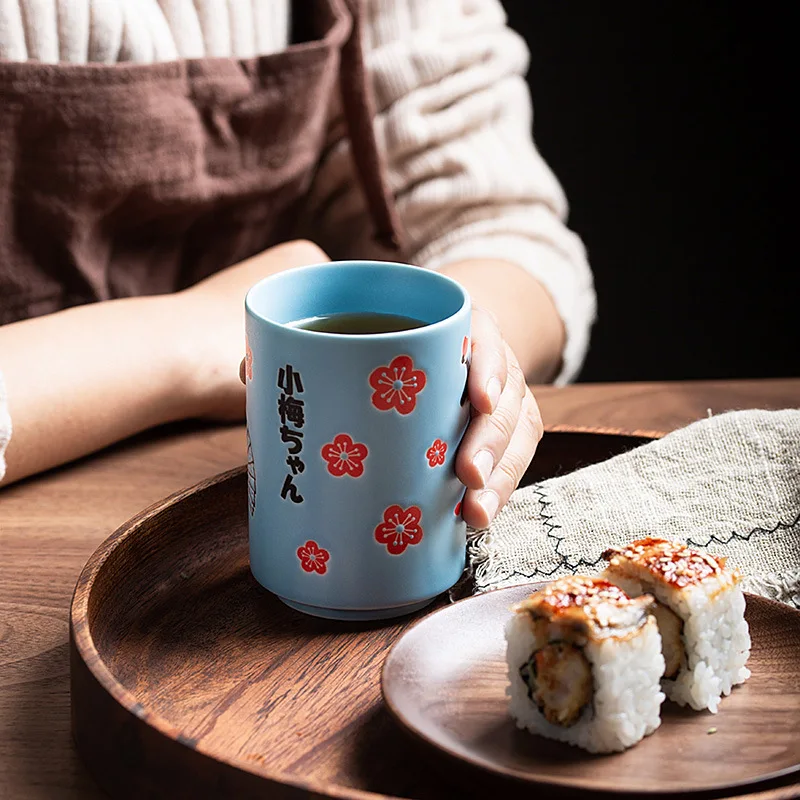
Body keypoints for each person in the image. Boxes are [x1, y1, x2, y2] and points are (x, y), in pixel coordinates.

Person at [0, 0, 595, 529]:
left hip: (218, 515)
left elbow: (504, 229)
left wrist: (473, 346)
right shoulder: (216, 339)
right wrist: (187, 340)